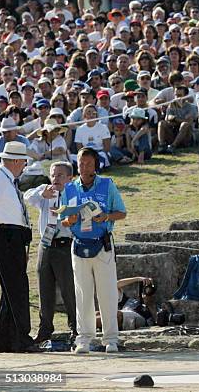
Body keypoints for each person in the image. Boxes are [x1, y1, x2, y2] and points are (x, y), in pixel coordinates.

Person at [60, 147, 127, 354]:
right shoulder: (70, 188)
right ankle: (84, 339)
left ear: (95, 165)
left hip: (102, 244)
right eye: (80, 163)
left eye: (88, 163)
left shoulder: (107, 185)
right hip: (79, 244)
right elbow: (64, 218)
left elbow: (121, 213)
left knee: (107, 292)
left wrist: (105, 217)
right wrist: (68, 219)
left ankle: (111, 339)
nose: (83, 166)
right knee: (82, 293)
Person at [24, 161, 77, 343]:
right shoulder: (45, 190)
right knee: (44, 288)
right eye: (53, 175)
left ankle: (75, 328)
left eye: (61, 175)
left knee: (68, 289)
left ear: (70, 178)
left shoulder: (73, 193)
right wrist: (41, 193)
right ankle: (45, 329)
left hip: (65, 244)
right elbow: (27, 197)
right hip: (46, 245)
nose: (56, 179)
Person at [0, 142, 37, 353]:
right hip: (5, 236)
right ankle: (21, 337)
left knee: (10, 290)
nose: (24, 165)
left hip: (12, 236)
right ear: (15, 161)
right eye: (23, 161)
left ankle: (5, 338)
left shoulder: (8, 180)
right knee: (17, 289)